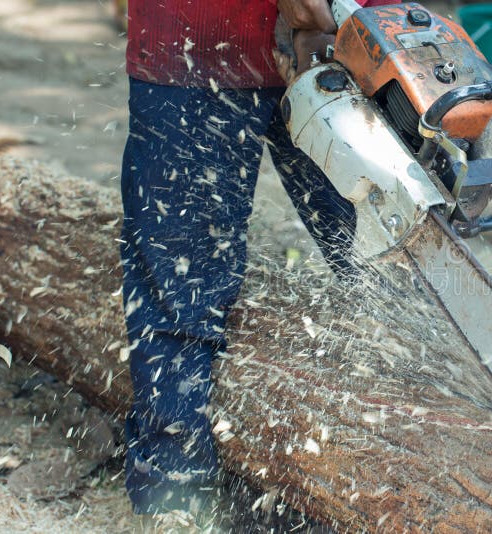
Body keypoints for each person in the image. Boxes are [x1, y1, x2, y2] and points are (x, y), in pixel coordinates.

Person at [120, 0, 398, 519]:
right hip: (198, 37)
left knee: (398, 261)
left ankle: (431, 448)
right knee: (181, 276)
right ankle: (174, 497)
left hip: (355, 35)